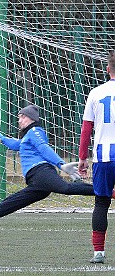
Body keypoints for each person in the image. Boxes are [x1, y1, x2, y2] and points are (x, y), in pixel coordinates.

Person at [0, 104, 95, 227]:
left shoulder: (35, 131)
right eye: (19, 117)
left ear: (32, 118)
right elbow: (10, 143)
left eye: (23, 117)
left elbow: (43, 147)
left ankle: (108, 190)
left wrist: (61, 164)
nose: (20, 120)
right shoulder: (26, 138)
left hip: (41, 172)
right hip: (36, 181)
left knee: (66, 188)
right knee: (6, 205)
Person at [78, 50, 115, 264]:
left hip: (103, 157)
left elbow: (86, 129)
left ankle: (98, 253)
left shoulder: (95, 93)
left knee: (101, 203)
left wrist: (83, 158)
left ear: (107, 69)